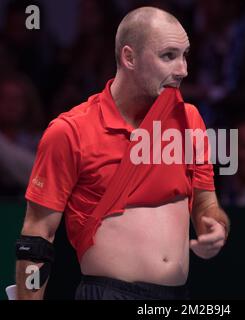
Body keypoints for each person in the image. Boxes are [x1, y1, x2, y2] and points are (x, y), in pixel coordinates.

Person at [15, 6, 230, 300]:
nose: (183, 70)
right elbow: (36, 236)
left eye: (185, 55)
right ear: (129, 57)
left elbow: (206, 203)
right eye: (168, 55)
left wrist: (214, 226)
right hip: (107, 293)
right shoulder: (70, 131)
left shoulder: (189, 119)